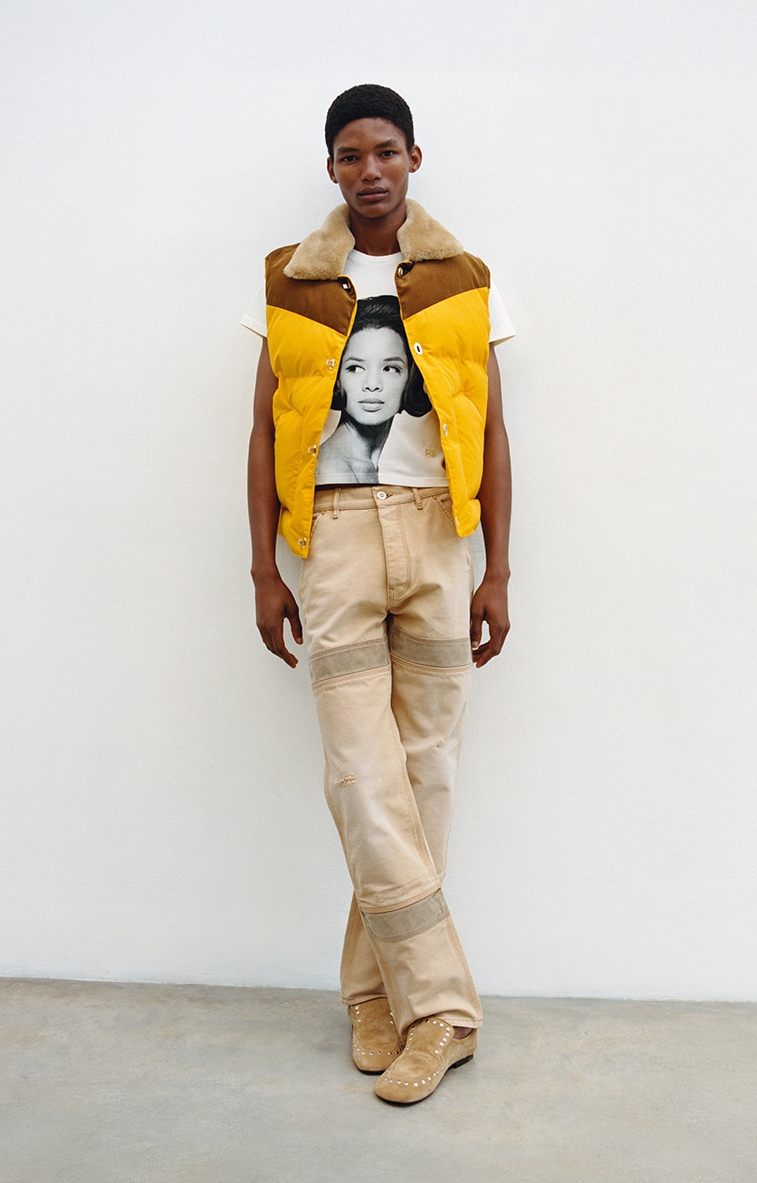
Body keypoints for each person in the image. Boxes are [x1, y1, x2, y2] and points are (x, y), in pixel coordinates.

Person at [244, 83, 513, 1104]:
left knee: (424, 777)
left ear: (412, 158)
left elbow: (491, 430)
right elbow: (264, 429)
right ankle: (442, 1010)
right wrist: (264, 570)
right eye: (350, 154)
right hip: (337, 538)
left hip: (440, 535)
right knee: (363, 779)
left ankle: (373, 994)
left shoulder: (463, 278)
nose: (370, 170)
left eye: (386, 151)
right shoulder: (287, 279)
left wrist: (497, 569)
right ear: (331, 168)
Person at [316, 295, 431, 484]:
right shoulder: (333, 467)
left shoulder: (366, 463)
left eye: (389, 368)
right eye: (355, 368)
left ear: (409, 378)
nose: (372, 384)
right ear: (337, 378)